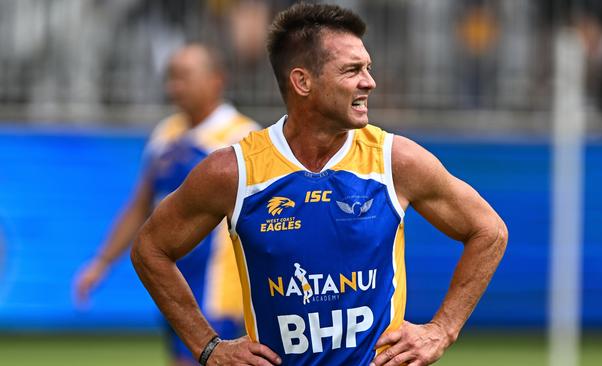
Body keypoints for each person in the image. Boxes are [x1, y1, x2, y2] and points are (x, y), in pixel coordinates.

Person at [131, 3, 508, 366]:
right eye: (352, 70)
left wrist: (443, 330)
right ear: (302, 81)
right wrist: (208, 347)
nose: (370, 82)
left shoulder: (395, 161)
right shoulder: (235, 172)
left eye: (368, 68)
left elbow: (489, 231)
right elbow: (150, 249)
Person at [73, 43, 258, 366]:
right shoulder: (166, 134)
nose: (174, 87)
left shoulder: (244, 138)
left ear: (216, 80)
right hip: (172, 286)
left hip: (219, 294)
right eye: (171, 77)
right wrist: (102, 262)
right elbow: (140, 206)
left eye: (184, 77)